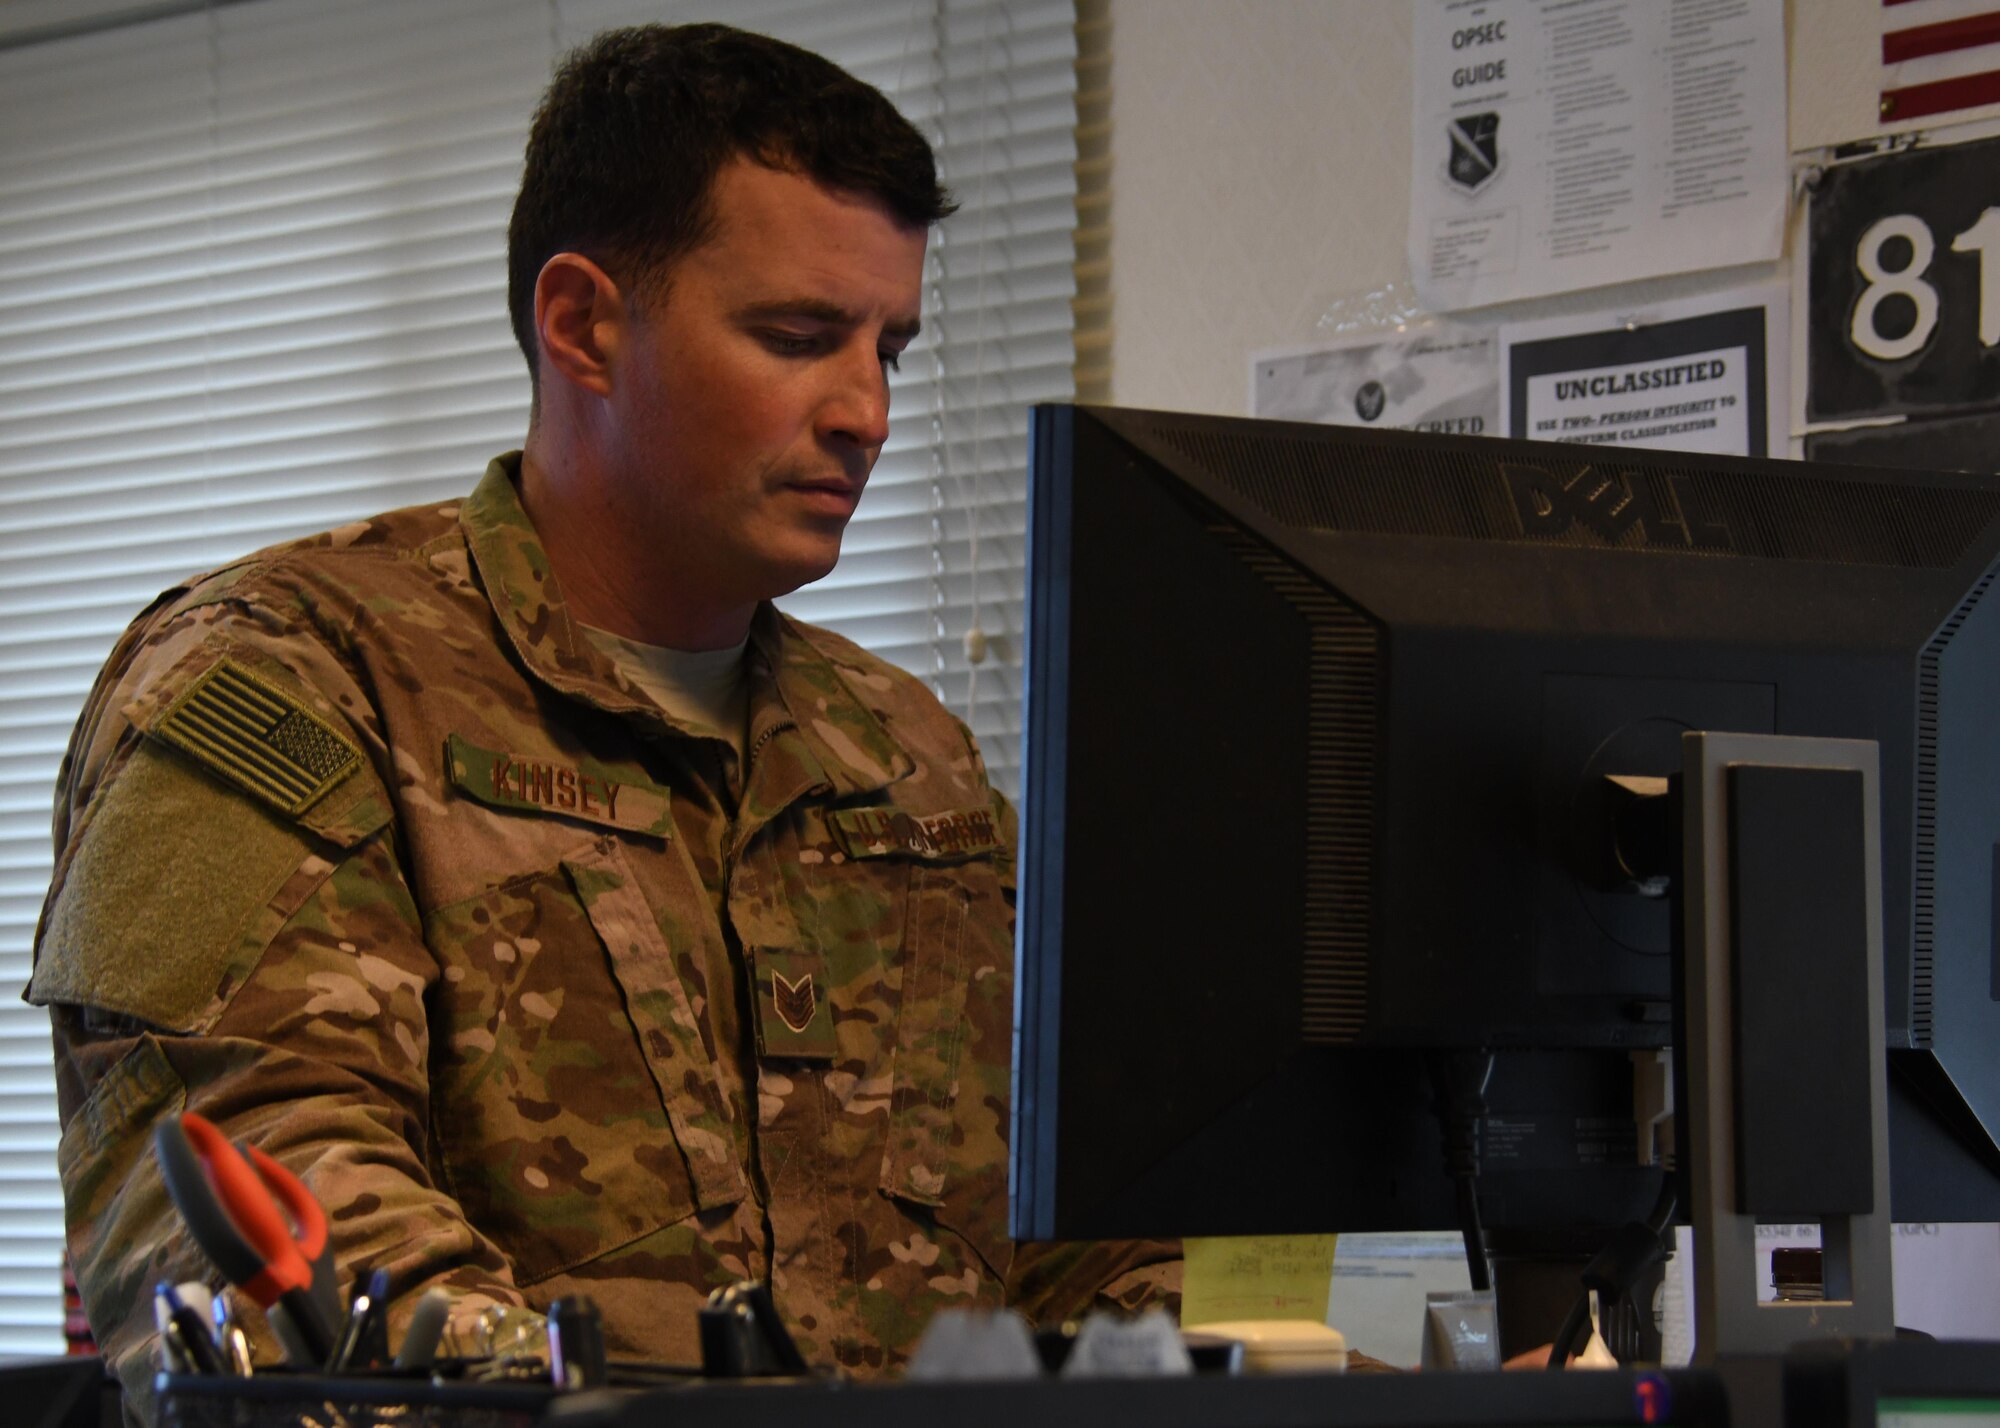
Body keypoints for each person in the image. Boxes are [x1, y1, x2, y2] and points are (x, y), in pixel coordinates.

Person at [31, 22, 1175, 1412]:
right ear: (583, 323)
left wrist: (1279, 1369)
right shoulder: (284, 674)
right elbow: (262, 1190)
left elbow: (1073, 1235)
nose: (868, 411)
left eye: (894, 350)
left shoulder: (902, 752)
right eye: (800, 338)